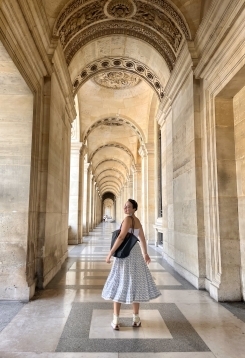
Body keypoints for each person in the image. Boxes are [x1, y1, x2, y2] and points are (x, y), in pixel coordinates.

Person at [101, 198, 161, 330]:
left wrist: (110, 253)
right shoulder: (137, 220)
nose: (126, 208)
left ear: (134, 208)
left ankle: (116, 320)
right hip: (135, 253)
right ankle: (136, 319)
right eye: (125, 206)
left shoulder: (128, 219)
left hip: (125, 254)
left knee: (119, 282)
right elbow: (142, 239)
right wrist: (145, 254)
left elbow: (121, 237)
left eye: (128, 207)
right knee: (134, 284)